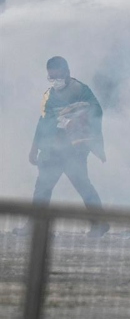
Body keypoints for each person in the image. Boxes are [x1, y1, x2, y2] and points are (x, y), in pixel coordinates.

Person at [30, 56, 108, 236]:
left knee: (83, 186)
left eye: (58, 77)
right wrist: (34, 148)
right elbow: (42, 121)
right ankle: (34, 226)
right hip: (51, 151)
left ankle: (100, 224)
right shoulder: (49, 95)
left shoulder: (80, 89)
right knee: (42, 188)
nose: (55, 81)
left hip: (74, 150)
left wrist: (75, 115)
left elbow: (96, 110)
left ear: (67, 73)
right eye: (51, 78)